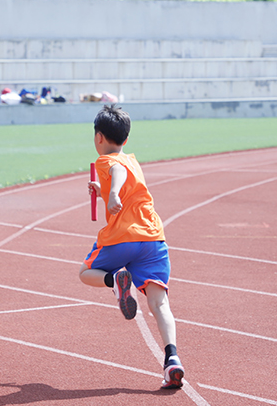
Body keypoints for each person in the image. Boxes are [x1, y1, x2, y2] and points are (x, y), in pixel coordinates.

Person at [79, 105, 185, 390]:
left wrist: (111, 192)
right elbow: (125, 177)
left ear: (98, 137)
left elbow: (115, 171)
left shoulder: (106, 160)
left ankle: (114, 280)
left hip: (122, 237)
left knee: (86, 272)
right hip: (152, 238)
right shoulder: (133, 161)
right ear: (126, 139)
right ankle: (172, 358)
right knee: (159, 303)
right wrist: (103, 191)